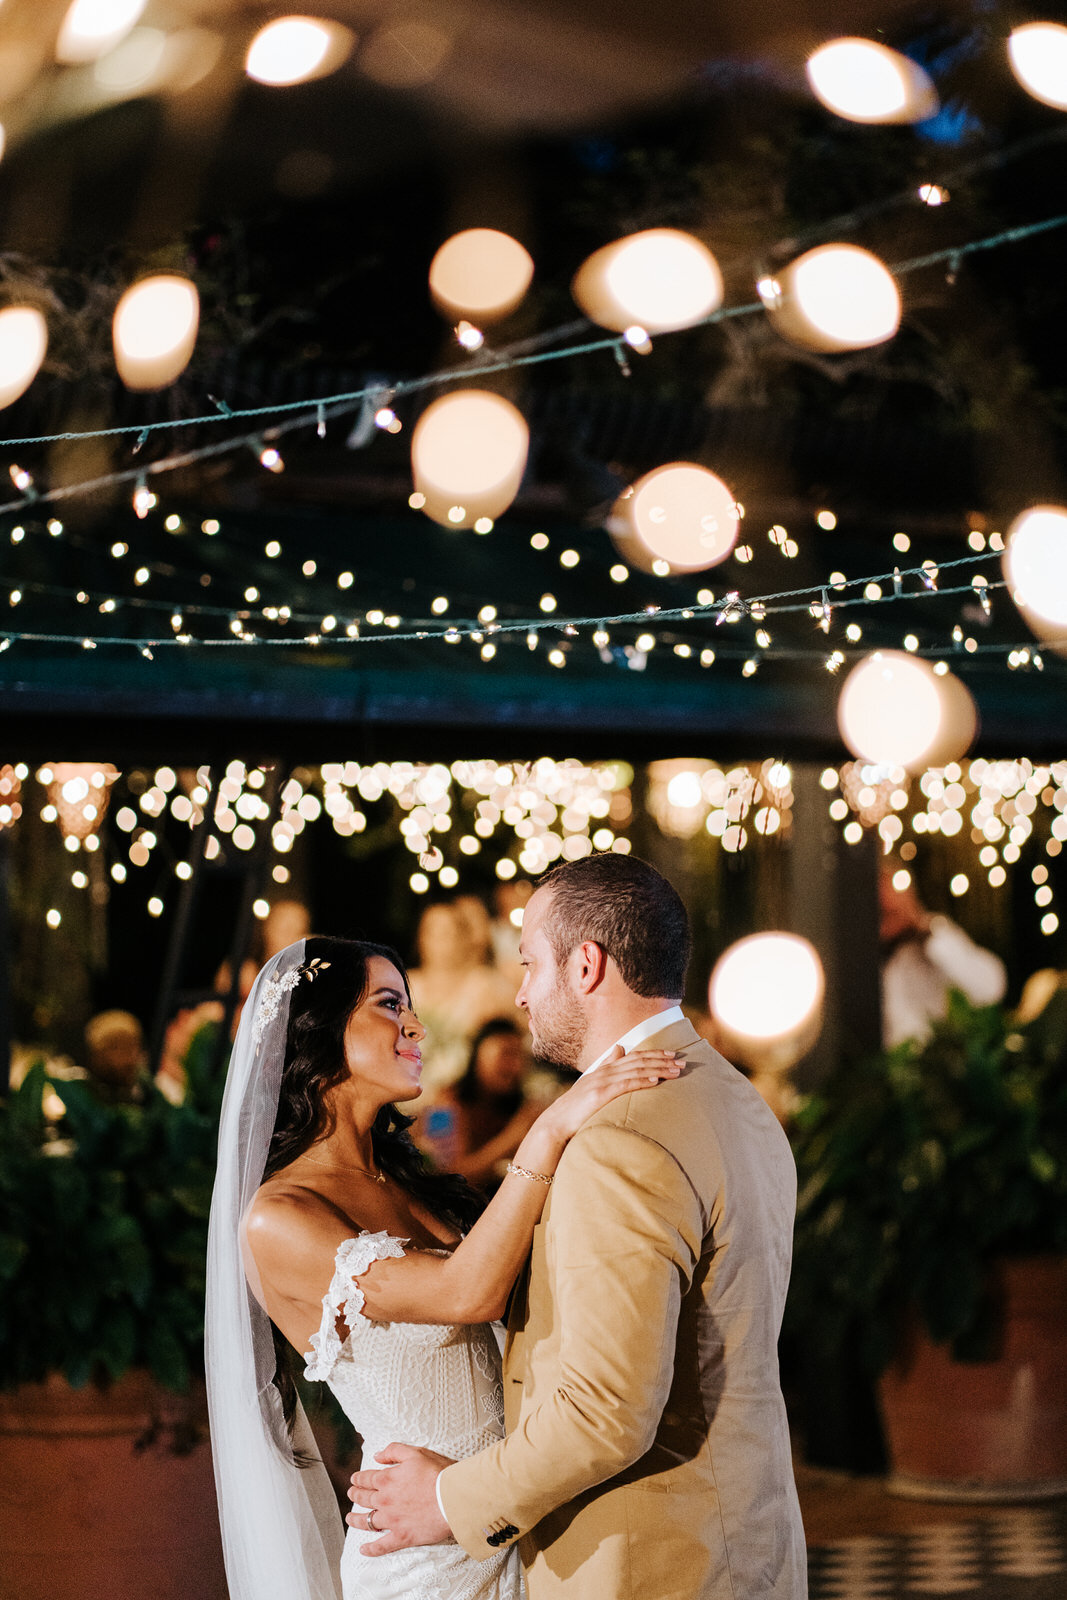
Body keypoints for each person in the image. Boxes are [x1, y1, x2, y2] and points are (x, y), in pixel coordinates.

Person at [348, 853, 807, 1600]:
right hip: (747, 1537)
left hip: (647, 1561)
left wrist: (446, 1501)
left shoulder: (619, 1136)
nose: (521, 993)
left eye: (531, 963)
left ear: (586, 966)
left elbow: (605, 1414)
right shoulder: (734, 1096)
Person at [204, 933, 680, 1600]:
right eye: (389, 1004)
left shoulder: (404, 1180)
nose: (415, 1026)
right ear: (318, 1031)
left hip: (504, 1518)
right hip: (422, 1555)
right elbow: (467, 1293)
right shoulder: (279, 1217)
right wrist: (545, 1130)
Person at [879, 867, 1007, 1048]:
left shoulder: (938, 935)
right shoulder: (878, 958)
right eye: (882, 913)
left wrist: (928, 938)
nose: (886, 925)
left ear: (910, 899)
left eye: (892, 913)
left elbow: (990, 989)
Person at [407, 900, 522, 1089]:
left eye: (449, 932)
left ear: (465, 938)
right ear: (420, 937)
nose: (441, 941)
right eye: (433, 932)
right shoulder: (407, 985)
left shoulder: (485, 986)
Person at [420, 1018, 547, 1191]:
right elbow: (446, 1174)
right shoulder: (443, 1105)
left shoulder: (516, 1104)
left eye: (520, 1056)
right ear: (478, 1055)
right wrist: (514, 1135)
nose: (515, 1066)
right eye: (506, 1054)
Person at [83, 1009, 148, 1104]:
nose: (131, 1059)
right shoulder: (79, 1097)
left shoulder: (146, 1097)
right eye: (121, 1049)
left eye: (134, 1048)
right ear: (98, 1054)